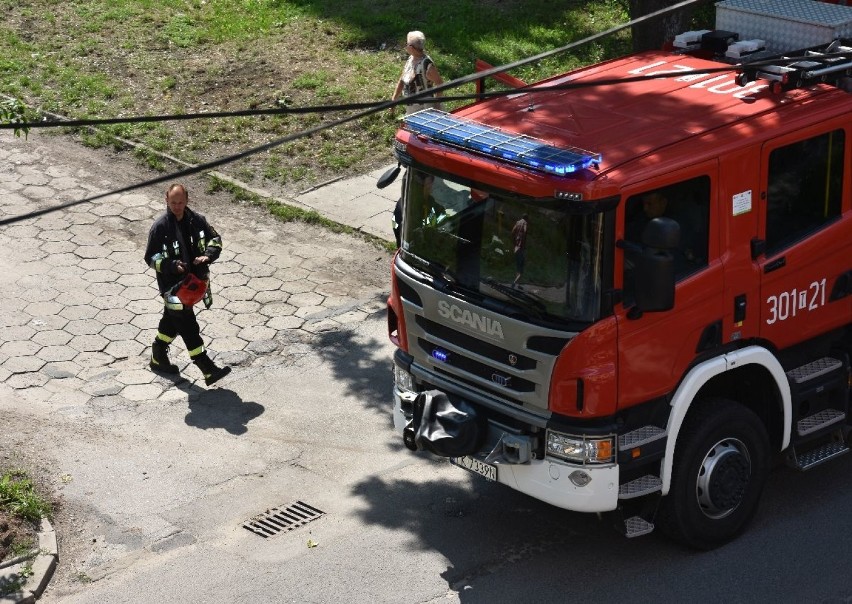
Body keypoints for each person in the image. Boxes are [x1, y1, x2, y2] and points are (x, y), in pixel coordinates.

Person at [144, 183, 231, 386]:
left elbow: (215, 240)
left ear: (187, 200)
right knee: (189, 326)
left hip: (193, 285)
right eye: (173, 202)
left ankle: (158, 357)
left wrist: (207, 257)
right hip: (172, 289)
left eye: (180, 202)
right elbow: (151, 258)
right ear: (166, 200)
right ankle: (206, 367)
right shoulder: (160, 228)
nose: (177, 206)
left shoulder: (197, 221)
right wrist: (171, 265)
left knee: (171, 321)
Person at [391, 30, 443, 115]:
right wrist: (394, 99)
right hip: (411, 107)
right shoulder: (411, 59)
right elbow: (402, 79)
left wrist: (437, 104)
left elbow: (440, 83)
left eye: (406, 43)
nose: (405, 46)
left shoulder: (427, 65)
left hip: (426, 109)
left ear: (411, 47)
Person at [511, 213, 528, 287]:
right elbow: (525, 231)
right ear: (527, 218)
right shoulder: (525, 223)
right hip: (521, 247)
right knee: (521, 267)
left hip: (516, 247)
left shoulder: (518, 222)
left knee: (518, 265)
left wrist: (514, 242)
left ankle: (518, 284)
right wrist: (523, 242)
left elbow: (512, 232)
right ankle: (514, 282)